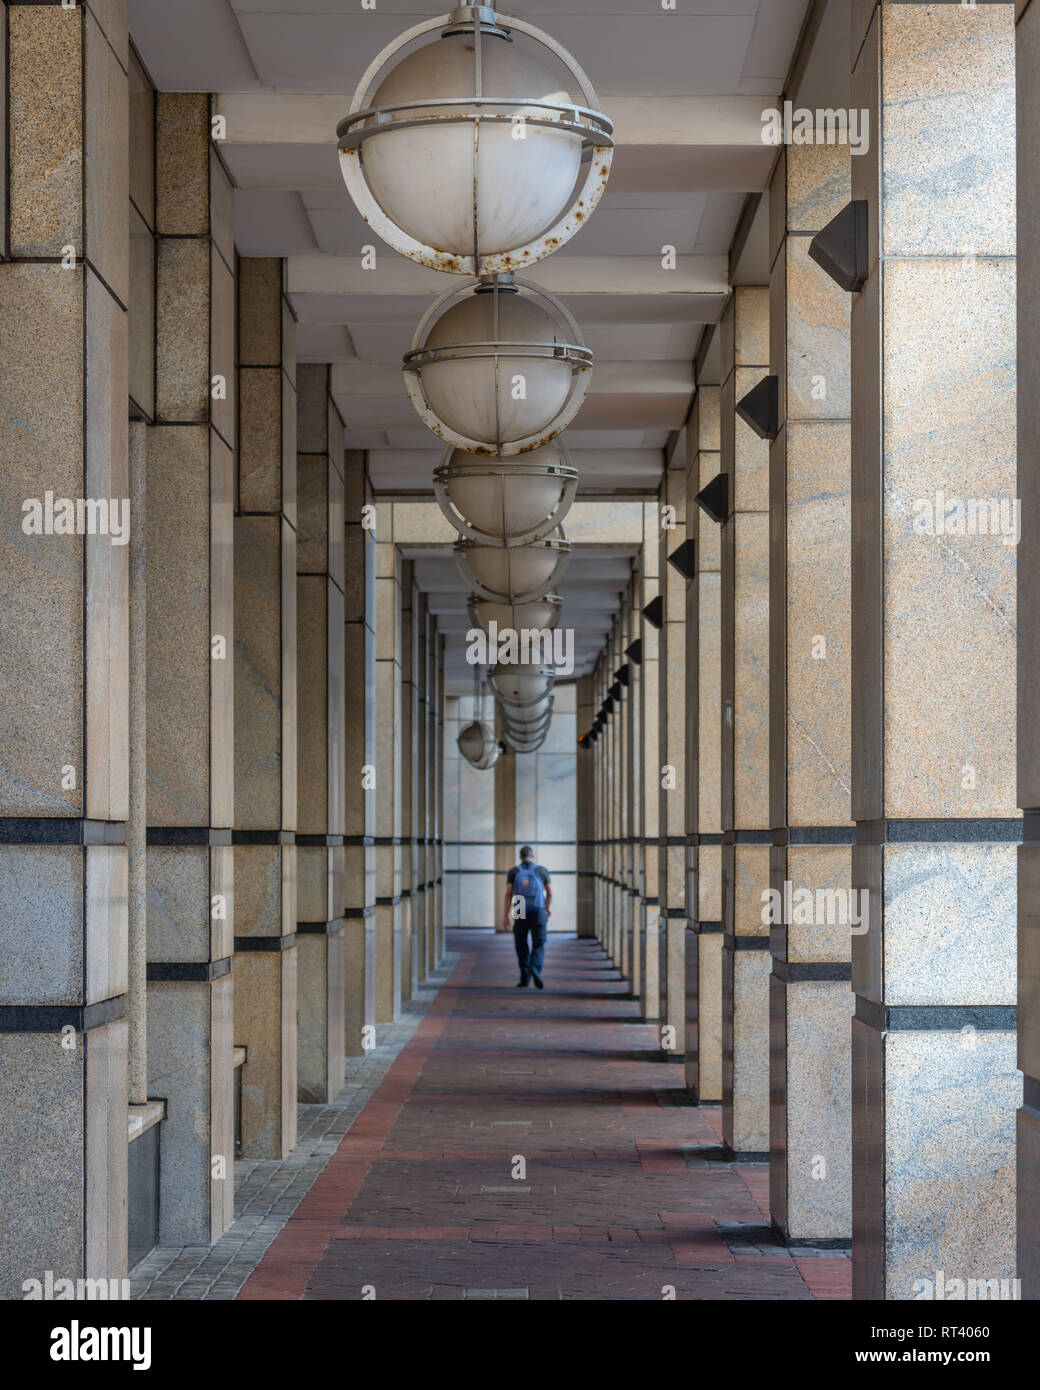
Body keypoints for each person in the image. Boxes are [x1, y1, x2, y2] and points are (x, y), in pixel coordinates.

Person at [503, 845, 552, 988]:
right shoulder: (542, 870)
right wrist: (547, 907)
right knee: (539, 943)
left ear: (520, 857)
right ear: (533, 857)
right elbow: (550, 893)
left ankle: (525, 978)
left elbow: (508, 894)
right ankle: (535, 968)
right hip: (538, 909)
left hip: (519, 906)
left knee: (521, 944)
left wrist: (505, 915)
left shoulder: (513, 871)